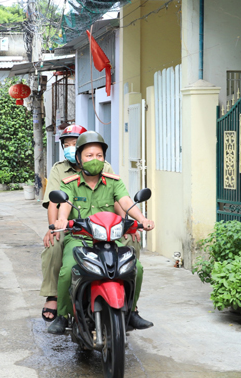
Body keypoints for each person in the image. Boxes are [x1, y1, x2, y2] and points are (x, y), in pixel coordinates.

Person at [48, 131, 153, 334]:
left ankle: (131, 312)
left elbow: (125, 201)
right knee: (68, 269)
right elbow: (66, 203)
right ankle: (63, 315)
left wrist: (142, 220)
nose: (94, 160)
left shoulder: (113, 181)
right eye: (89, 156)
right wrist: (62, 219)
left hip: (110, 239)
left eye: (99, 156)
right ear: (79, 158)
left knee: (136, 268)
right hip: (79, 239)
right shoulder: (69, 182)